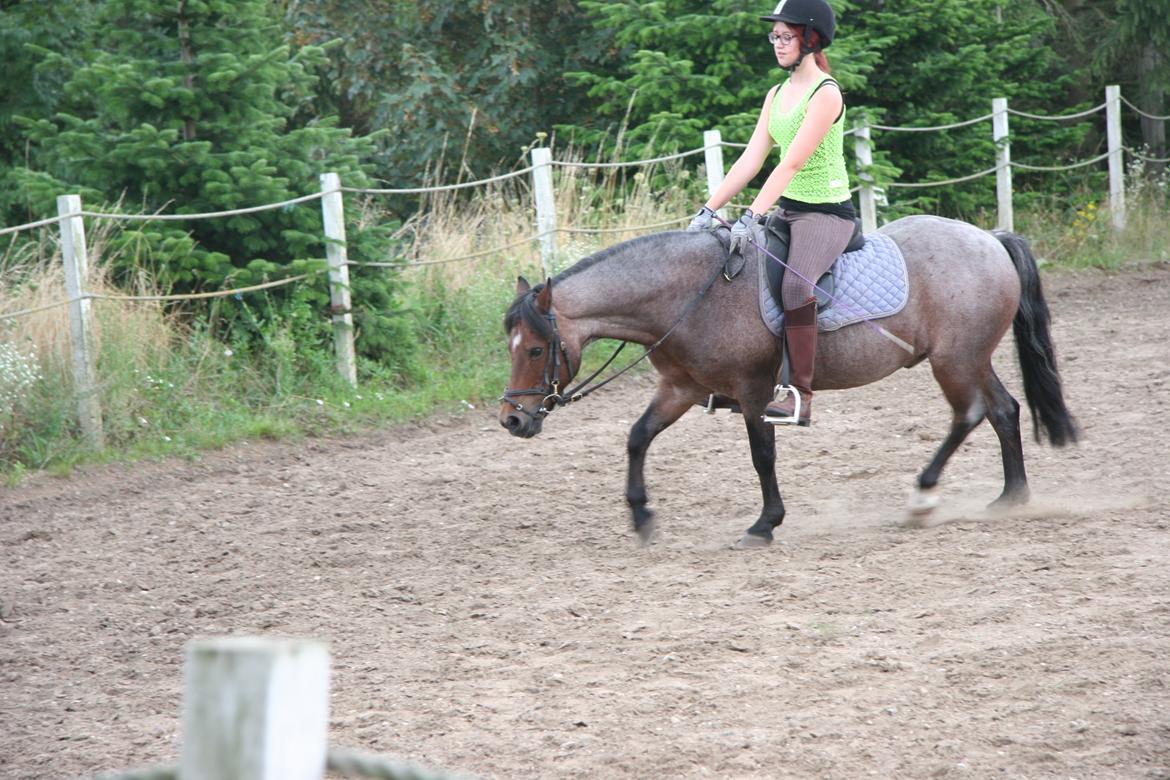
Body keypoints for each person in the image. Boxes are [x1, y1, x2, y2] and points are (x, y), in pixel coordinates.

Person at [687, 0, 854, 427]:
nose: (777, 44)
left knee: (797, 288)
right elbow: (751, 159)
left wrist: (751, 215)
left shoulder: (826, 93)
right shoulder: (777, 94)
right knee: (732, 271)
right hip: (788, 209)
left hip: (826, 214)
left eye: (786, 36)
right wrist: (709, 210)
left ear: (810, 39)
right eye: (774, 36)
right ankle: (735, 382)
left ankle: (799, 392)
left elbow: (791, 163)